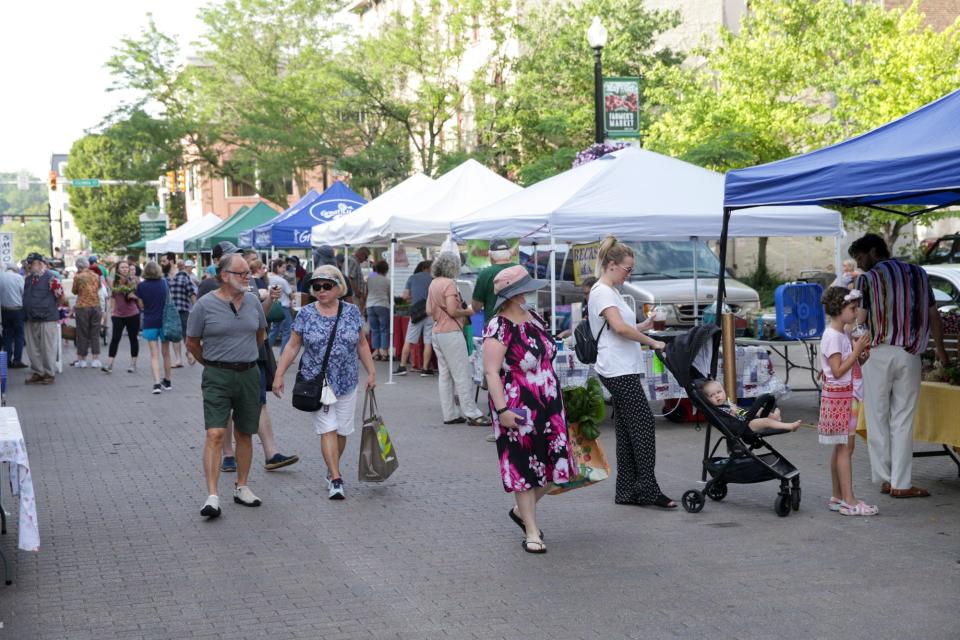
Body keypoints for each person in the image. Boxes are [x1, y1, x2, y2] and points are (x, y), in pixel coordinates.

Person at [482, 265, 575, 554]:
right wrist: (502, 410)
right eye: (526, 288)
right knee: (525, 466)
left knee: (555, 464)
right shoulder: (498, 326)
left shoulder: (533, 317)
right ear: (514, 293)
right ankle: (532, 530)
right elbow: (491, 372)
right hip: (518, 405)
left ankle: (522, 512)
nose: (531, 292)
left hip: (549, 403)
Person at [849, 233, 948, 499]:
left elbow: (861, 319)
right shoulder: (919, 273)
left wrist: (852, 342)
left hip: (876, 353)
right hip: (909, 354)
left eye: (860, 258)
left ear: (873, 251)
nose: (859, 265)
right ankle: (901, 484)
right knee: (903, 418)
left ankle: (884, 478)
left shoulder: (867, 279)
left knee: (877, 415)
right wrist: (939, 349)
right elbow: (933, 314)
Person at [272, 266, 376, 500]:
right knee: (327, 428)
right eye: (316, 286)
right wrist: (279, 374)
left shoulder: (351, 312)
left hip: (347, 380)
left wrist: (371, 372)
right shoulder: (306, 314)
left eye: (327, 286)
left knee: (342, 430)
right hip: (316, 382)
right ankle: (337, 479)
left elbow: (361, 344)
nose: (321, 290)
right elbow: (292, 345)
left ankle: (331, 470)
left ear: (339, 288)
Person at [588, 236, 675, 509]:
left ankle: (626, 490)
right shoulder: (602, 291)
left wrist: (644, 324)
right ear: (612, 265)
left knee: (627, 430)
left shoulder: (610, 290)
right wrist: (652, 340)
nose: (630, 274)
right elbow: (618, 329)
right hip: (617, 368)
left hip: (620, 366)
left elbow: (624, 326)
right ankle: (648, 489)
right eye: (628, 268)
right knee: (643, 428)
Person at [186, 253, 268, 518]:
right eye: (242, 273)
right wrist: (213, 364)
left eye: (249, 273)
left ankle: (242, 487)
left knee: (245, 432)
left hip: (248, 374)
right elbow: (192, 343)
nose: (248, 278)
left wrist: (242, 356)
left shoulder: (253, 302)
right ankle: (212, 495)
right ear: (225, 276)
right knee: (215, 434)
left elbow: (260, 334)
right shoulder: (204, 306)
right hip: (217, 376)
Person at [816, 286, 877, 516]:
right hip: (842, 397)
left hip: (846, 395)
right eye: (852, 308)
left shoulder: (841, 334)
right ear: (839, 309)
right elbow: (838, 370)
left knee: (841, 447)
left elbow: (847, 367)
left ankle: (838, 496)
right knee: (845, 448)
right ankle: (849, 499)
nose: (855, 312)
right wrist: (857, 350)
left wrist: (860, 356)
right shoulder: (833, 336)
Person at [427, 252, 492, 427]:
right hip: (451, 332)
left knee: (445, 375)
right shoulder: (449, 284)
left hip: (437, 332)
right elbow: (453, 311)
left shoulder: (433, 283)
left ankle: (450, 414)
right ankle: (472, 413)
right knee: (462, 374)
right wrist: (468, 311)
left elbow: (428, 310)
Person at [22, 253, 66, 384]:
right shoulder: (28, 279)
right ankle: (38, 372)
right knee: (32, 348)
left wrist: (51, 308)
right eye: (28, 264)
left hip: (47, 318)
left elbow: (61, 297)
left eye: (31, 263)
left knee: (47, 348)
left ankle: (49, 373)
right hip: (30, 318)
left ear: (40, 264)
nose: (29, 266)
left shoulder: (51, 278)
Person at [702, 380, 801, 432]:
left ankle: (774, 417)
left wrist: (742, 411)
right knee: (765, 421)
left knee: (760, 409)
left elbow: (742, 412)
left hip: (746, 419)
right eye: (712, 395)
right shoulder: (719, 410)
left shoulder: (727, 403)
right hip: (744, 426)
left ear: (724, 391)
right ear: (708, 400)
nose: (717, 396)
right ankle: (789, 426)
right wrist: (733, 412)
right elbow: (730, 423)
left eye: (719, 392)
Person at [135, 261, 173, 395]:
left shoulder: (141, 286)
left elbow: (141, 306)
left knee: (154, 355)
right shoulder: (164, 283)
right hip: (165, 321)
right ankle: (167, 381)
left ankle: (156, 384)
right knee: (166, 353)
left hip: (150, 322)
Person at [395, 260, 435, 376]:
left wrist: (413, 298)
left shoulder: (412, 278)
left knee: (409, 340)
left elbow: (405, 296)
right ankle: (425, 369)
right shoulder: (433, 279)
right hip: (430, 312)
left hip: (416, 313)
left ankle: (402, 366)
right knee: (428, 341)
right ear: (427, 268)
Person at [103, 260, 141, 374]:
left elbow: (140, 296)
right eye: (122, 267)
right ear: (118, 269)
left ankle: (133, 364)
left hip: (132, 314)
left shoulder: (134, 280)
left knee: (133, 338)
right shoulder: (114, 282)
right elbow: (106, 275)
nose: (125, 269)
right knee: (115, 338)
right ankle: (109, 364)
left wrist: (133, 295)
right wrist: (111, 310)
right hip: (118, 315)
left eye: (126, 267)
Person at [471, 239, 517, 325]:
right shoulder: (521, 270)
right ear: (510, 254)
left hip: (494, 325)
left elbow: (476, 307)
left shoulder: (485, 274)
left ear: (490, 256)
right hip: (519, 324)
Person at [72, 257, 103, 369]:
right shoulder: (96, 276)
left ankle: (82, 360)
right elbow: (98, 288)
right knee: (95, 333)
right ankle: (95, 359)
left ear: (78, 267)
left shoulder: (78, 277)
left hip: (82, 306)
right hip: (96, 305)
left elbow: (74, 291)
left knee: (82, 333)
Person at [167, 254, 195, 368]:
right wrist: (196, 308)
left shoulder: (173, 278)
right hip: (182, 309)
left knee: (177, 335)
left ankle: (181, 357)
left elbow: (192, 293)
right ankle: (186, 354)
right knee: (184, 334)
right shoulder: (183, 278)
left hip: (175, 311)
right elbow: (192, 294)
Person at [0, 265, 26, 368]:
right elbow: (24, 293)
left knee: (7, 335)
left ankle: (6, 361)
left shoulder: (1, 276)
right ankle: (17, 360)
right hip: (18, 310)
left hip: (4, 310)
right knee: (19, 335)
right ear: (15, 270)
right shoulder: (18, 277)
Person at [366, 260, 391, 361]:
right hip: (382, 305)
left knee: (374, 329)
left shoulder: (371, 278)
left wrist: (374, 266)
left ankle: (376, 351)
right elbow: (389, 295)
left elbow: (367, 290)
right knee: (384, 329)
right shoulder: (387, 280)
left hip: (370, 305)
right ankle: (384, 351)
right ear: (386, 270)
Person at [267, 259, 294, 354]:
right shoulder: (282, 280)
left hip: (273, 307)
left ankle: (267, 352)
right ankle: (284, 354)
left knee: (274, 330)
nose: (284, 269)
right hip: (283, 307)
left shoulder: (268, 278)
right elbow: (291, 294)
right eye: (283, 267)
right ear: (277, 267)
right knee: (287, 331)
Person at [558, 276, 597, 340]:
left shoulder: (602, 309)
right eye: (583, 294)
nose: (584, 297)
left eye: (587, 293)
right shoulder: (587, 309)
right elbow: (580, 328)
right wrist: (564, 333)